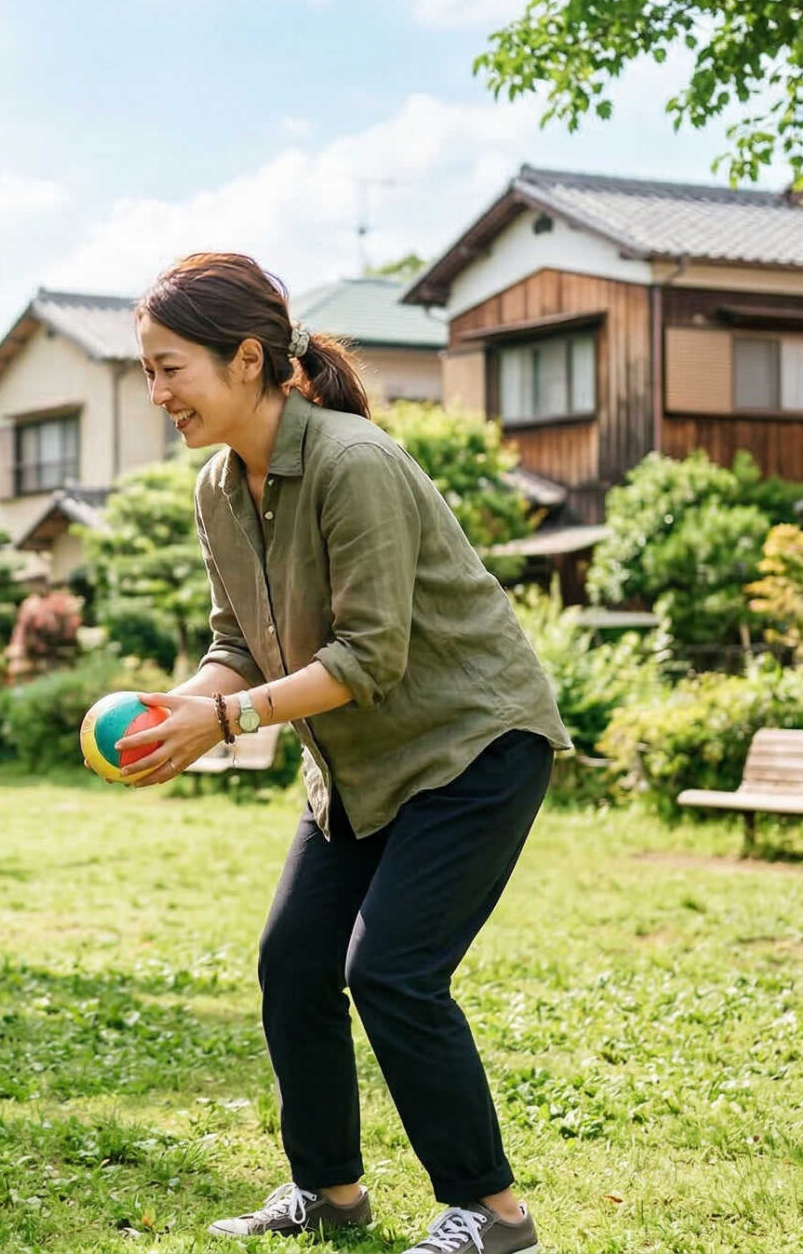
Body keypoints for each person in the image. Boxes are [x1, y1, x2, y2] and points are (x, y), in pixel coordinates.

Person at [116, 254, 569, 1254]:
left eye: (169, 368)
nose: (156, 393)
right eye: (146, 370)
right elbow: (237, 644)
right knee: (294, 961)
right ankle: (329, 1191)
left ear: (246, 359)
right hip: (359, 765)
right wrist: (176, 708)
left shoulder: (352, 460)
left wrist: (223, 722)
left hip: (472, 745)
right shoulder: (218, 487)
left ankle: (494, 1216)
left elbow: (370, 655)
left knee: (393, 969)